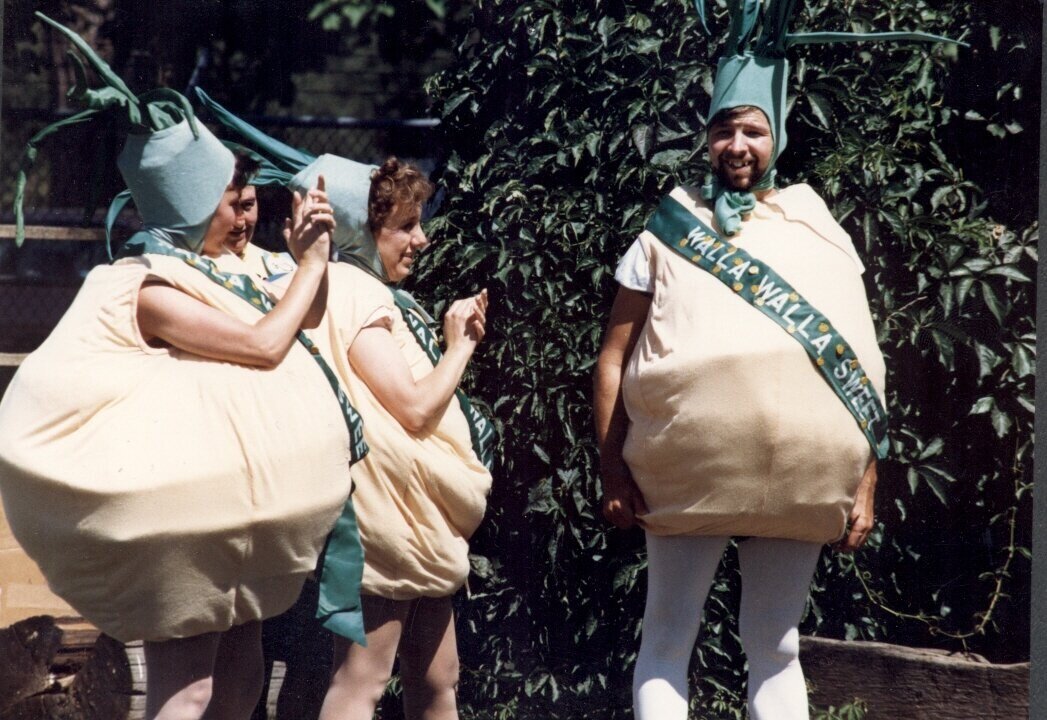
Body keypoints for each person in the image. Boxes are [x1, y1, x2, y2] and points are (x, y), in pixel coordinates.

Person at [594, 4, 958, 719]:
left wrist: (865, 481)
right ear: (705, 137)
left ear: (776, 136)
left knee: (777, 643)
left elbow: (859, 364)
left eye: (752, 130)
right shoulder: (663, 228)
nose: (737, 144)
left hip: (799, 476)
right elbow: (612, 358)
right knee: (668, 637)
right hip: (686, 467)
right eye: (723, 129)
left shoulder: (815, 226)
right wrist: (611, 467)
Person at [0, 14, 368, 720]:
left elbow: (304, 326)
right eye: (233, 204)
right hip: (186, 532)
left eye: (250, 198)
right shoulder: (147, 286)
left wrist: (305, 259)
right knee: (190, 688)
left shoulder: (227, 270)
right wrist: (311, 266)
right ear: (191, 210)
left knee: (239, 677)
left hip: (238, 526)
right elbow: (264, 344)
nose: (247, 213)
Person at [194, 90, 495, 720]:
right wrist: (460, 345)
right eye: (406, 226)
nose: (422, 238)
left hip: (414, 518)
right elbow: (413, 407)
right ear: (366, 231)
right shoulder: (360, 296)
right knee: (363, 679)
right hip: (388, 519)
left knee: (438, 674)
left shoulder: (333, 285)